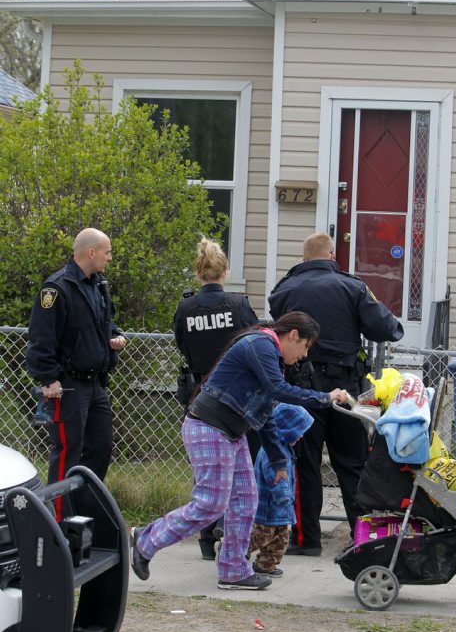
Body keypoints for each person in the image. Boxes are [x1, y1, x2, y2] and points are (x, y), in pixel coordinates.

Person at [130, 311, 348, 590]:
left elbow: (267, 412)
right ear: (293, 336)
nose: (304, 355)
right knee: (210, 504)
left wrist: (279, 461)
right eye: (306, 347)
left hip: (232, 433)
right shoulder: (260, 345)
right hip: (209, 428)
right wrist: (324, 398)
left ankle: (234, 570)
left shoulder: (269, 355)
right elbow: (278, 390)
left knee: (246, 501)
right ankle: (146, 541)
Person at [268, 232, 404, 553]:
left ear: (304, 259)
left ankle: (306, 540)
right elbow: (389, 329)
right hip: (346, 390)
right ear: (332, 255)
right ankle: (363, 540)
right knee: (353, 464)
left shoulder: (284, 289)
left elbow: (278, 328)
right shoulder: (352, 287)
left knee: (306, 465)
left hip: (302, 389)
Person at [26, 228, 126, 520]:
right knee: (67, 451)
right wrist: (48, 378)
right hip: (67, 385)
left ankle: (82, 514)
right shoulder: (56, 289)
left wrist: (115, 338)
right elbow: (41, 338)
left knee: (102, 446)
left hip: (95, 384)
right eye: (106, 252)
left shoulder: (98, 285)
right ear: (91, 253)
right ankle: (56, 521)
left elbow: (104, 324)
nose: (109, 257)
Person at [174, 236, 259, 560]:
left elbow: (181, 342)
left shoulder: (186, 307)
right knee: (238, 468)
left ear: (199, 272)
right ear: (225, 271)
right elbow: (257, 344)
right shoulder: (238, 305)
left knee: (206, 470)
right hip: (237, 397)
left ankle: (207, 538)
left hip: (199, 395)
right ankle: (234, 534)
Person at [248, 403, 314, 577]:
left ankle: (265, 565)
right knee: (261, 536)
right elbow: (276, 477)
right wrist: (283, 496)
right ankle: (231, 549)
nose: (301, 437)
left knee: (280, 539)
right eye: (298, 432)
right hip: (270, 506)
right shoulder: (274, 452)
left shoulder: (284, 449)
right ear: (286, 430)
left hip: (281, 508)